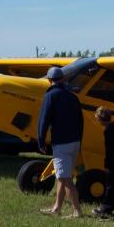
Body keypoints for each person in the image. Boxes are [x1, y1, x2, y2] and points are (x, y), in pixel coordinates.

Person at [37, 66, 83, 217]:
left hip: (61, 143)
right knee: (61, 177)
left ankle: (77, 211)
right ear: (62, 79)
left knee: (66, 178)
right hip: (75, 141)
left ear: (49, 81)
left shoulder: (50, 96)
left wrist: (41, 141)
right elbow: (80, 121)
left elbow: (43, 121)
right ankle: (57, 208)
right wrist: (79, 140)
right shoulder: (73, 97)